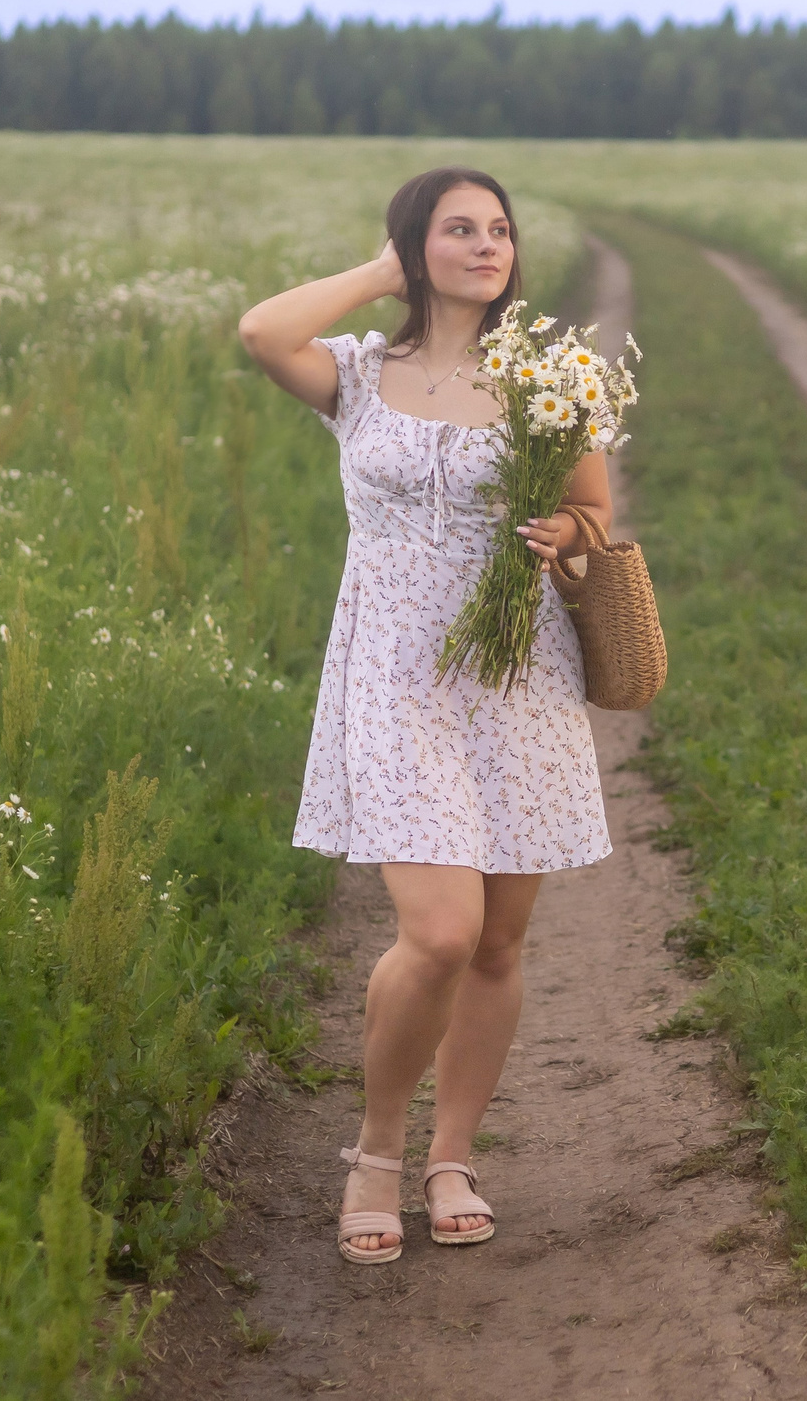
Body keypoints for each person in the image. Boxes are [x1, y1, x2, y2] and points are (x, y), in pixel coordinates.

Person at [237, 167, 614, 1262]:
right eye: (459, 228)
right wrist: (377, 274)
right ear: (415, 246)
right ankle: (376, 1146)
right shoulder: (356, 372)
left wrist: (566, 535)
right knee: (438, 932)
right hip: (396, 675)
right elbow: (261, 329)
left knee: (497, 941)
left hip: (516, 675)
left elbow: (596, 514)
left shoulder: (546, 381)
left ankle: (453, 1151)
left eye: (499, 229)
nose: (488, 244)